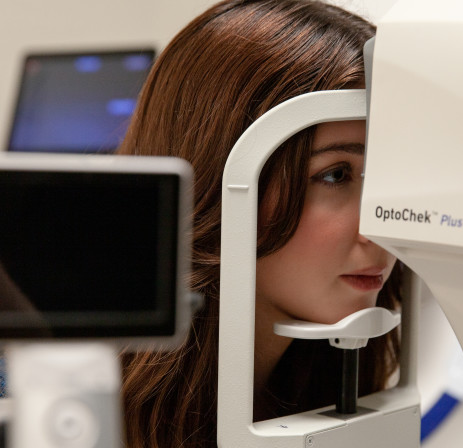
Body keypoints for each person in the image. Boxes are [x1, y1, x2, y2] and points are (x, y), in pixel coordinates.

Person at [117, 1, 403, 447]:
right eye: (335, 175)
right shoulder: (44, 405)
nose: (380, 228)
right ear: (216, 179)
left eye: (389, 175)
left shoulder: (323, 390)